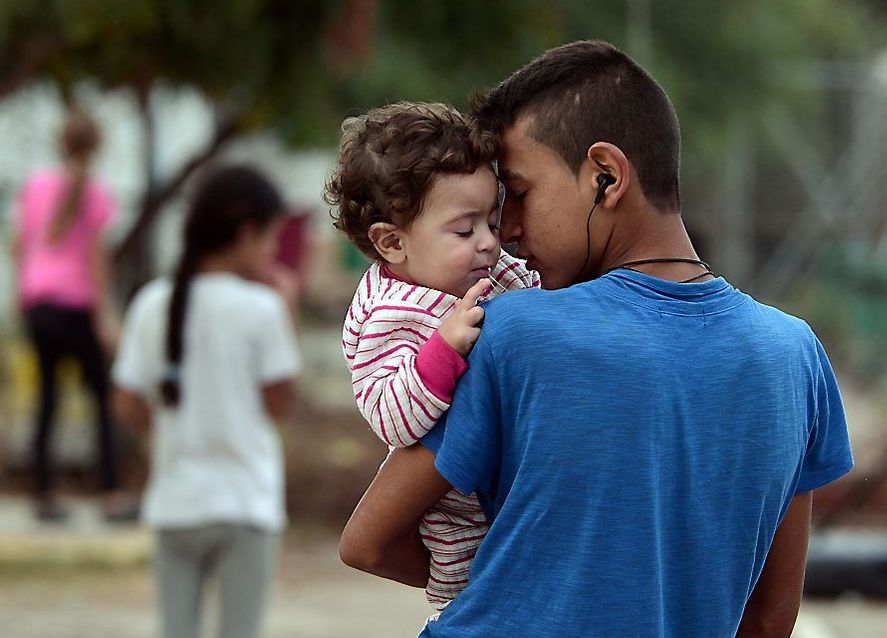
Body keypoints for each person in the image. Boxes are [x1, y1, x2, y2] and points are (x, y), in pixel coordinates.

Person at [339, 40, 854, 637]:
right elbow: (769, 619)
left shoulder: (509, 331)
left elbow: (368, 543)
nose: (505, 232)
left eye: (520, 194)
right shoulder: (794, 356)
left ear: (605, 177)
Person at [325, 102, 539, 611]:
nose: (490, 243)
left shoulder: (472, 266)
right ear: (391, 242)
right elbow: (391, 419)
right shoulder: (390, 316)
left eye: (492, 218)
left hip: (506, 474)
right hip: (456, 515)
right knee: (485, 588)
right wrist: (442, 351)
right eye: (465, 230)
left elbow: (531, 289)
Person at [111, 165, 300, 638]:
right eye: (271, 238)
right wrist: (289, 308)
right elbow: (279, 404)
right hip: (245, 504)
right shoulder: (262, 307)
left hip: (176, 502)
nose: (274, 251)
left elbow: (127, 404)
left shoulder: (152, 302)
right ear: (246, 232)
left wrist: (171, 423)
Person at [11, 106, 130, 522]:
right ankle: (112, 492)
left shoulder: (35, 186)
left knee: (48, 399)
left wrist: (19, 297)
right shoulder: (97, 194)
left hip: (37, 302)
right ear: (96, 146)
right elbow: (98, 261)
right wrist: (106, 318)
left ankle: (42, 494)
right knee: (101, 399)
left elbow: (18, 243)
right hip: (76, 305)